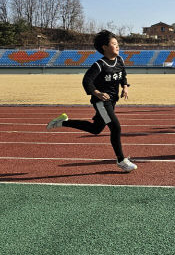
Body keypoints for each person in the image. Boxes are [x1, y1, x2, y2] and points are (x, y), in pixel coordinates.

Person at [46, 30, 137, 172]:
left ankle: (62, 122)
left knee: (95, 129)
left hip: (112, 101)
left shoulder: (120, 60)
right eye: (114, 44)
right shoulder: (99, 65)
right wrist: (97, 93)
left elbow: (123, 74)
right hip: (101, 103)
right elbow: (87, 81)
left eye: (118, 44)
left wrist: (124, 87)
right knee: (116, 127)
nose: (117, 46)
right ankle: (121, 160)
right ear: (104, 47)